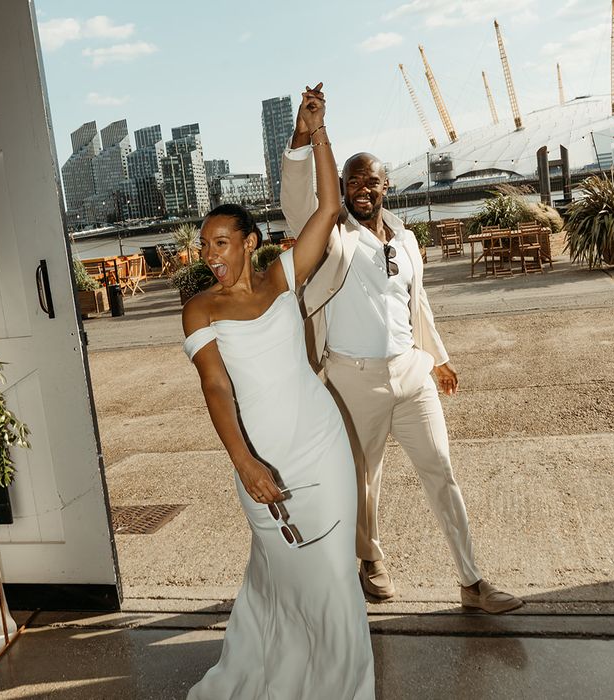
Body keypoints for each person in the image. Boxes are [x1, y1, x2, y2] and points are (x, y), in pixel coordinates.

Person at [280, 85, 523, 614]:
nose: (363, 189)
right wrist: (307, 133)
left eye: (372, 180)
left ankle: (472, 581)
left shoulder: (406, 240)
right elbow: (300, 202)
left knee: (441, 470)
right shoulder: (330, 237)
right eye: (352, 181)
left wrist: (437, 358)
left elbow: (418, 305)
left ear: (388, 186)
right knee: (361, 484)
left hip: (410, 373)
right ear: (341, 188)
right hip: (351, 380)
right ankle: (370, 561)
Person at [182, 86, 375, 700]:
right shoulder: (198, 310)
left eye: (219, 242)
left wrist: (317, 133)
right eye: (203, 245)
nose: (208, 254)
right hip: (257, 456)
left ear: (248, 241)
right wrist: (246, 463)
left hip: (319, 442)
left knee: (336, 574)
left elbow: (326, 209)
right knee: (283, 574)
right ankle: (277, 669)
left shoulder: (281, 276)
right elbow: (215, 387)